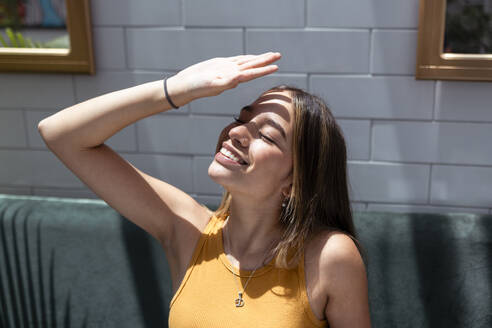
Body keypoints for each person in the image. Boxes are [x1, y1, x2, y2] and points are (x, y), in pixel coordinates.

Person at [38, 52, 371, 327]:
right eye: (242, 118)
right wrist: (178, 89)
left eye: (267, 136)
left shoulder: (329, 257)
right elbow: (60, 135)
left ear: (294, 183)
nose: (237, 133)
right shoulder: (189, 231)